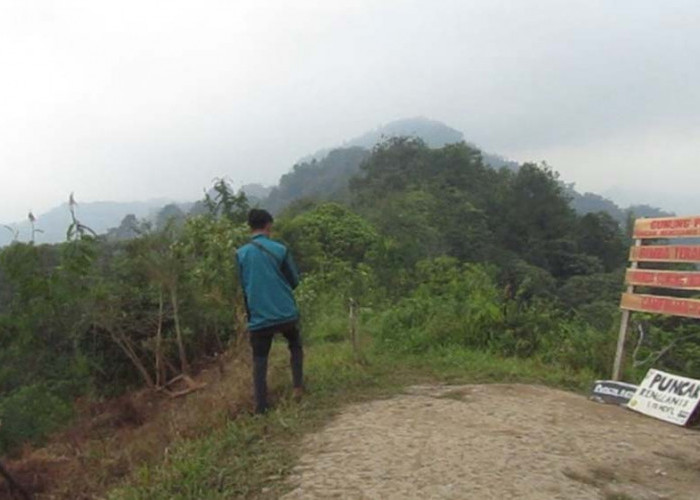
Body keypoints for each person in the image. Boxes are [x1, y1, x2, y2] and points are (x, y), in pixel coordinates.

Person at [236, 208, 304, 414]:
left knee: (259, 359)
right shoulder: (280, 250)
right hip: (285, 313)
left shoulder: (241, 254)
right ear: (268, 225)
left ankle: (261, 405)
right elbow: (294, 281)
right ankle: (298, 387)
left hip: (259, 318)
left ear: (250, 227)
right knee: (295, 344)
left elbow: (244, 286)